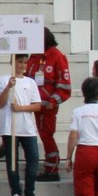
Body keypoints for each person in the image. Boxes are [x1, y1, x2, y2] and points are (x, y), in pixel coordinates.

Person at [0, 52, 43, 196]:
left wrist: (20, 108)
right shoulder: (3, 80)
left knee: (33, 159)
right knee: (12, 161)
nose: (22, 65)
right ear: (13, 62)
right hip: (10, 127)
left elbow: (37, 106)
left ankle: (30, 192)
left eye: (24, 62)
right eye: (19, 62)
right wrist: (8, 87)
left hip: (27, 127)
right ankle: (15, 192)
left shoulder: (31, 82)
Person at [28, 28, 71, 179]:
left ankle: (52, 168)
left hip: (47, 106)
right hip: (32, 104)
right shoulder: (34, 57)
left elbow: (65, 85)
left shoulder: (57, 56)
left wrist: (53, 101)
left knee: (46, 135)